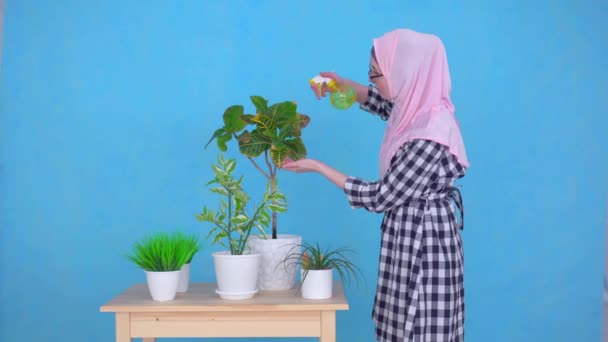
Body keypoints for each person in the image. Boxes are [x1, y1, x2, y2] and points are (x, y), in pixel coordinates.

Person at [281, 28, 470, 341]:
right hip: (408, 232)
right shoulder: (416, 107)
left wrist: (317, 166)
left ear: (406, 71)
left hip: (426, 242)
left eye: (376, 74)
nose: (373, 82)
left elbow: (382, 196)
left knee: (421, 323)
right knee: (398, 321)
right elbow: (385, 105)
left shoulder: (431, 133)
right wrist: (340, 84)